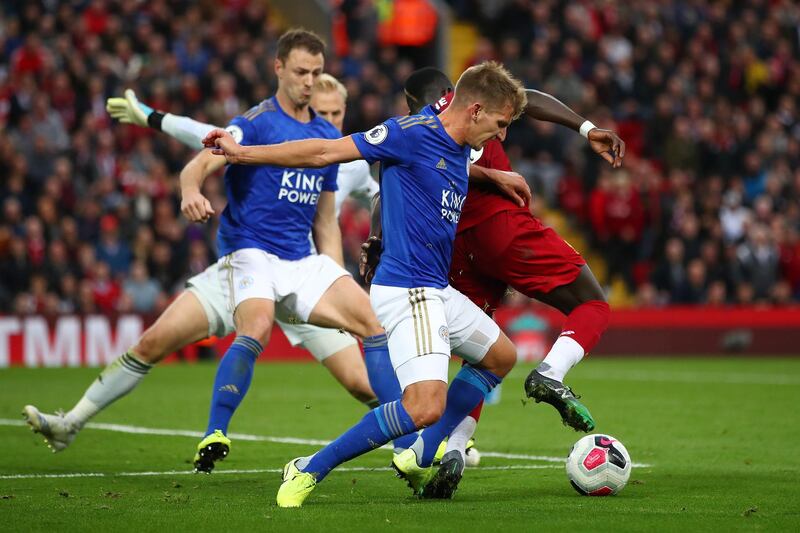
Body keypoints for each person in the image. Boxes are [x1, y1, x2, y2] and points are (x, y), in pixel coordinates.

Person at [22, 31, 417, 472]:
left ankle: (414, 441)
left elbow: (326, 221)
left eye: (317, 74)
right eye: (302, 72)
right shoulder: (254, 123)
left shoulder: (331, 144)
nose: (309, 82)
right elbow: (203, 153)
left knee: (366, 350)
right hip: (247, 260)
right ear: (279, 68)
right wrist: (189, 188)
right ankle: (73, 423)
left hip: (300, 267)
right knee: (157, 342)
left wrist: (339, 272)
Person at [202, 61, 528, 508]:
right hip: (408, 288)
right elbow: (322, 152)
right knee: (423, 407)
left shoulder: (457, 142)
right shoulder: (408, 133)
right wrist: (242, 154)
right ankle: (310, 468)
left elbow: (441, 165)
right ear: (474, 111)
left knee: (500, 357)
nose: (502, 136)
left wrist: (493, 175)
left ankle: (420, 453)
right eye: (501, 124)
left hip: (434, 287)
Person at [361, 67, 625, 497]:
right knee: (592, 302)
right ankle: (551, 374)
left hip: (453, 250)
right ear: (461, 96)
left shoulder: (413, 130)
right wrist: (586, 127)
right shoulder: (470, 112)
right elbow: (527, 97)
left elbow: (381, 195)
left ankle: (452, 450)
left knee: (480, 354)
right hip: (501, 229)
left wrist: (376, 238)